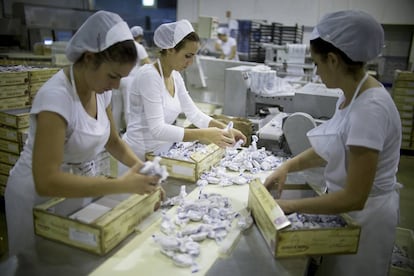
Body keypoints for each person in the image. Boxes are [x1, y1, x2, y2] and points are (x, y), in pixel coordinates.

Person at [4, 10, 162, 256]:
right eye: (113, 75)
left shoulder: (101, 90)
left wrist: (143, 170)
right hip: (34, 198)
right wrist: (121, 185)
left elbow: (113, 141)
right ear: (89, 58)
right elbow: (47, 180)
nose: (116, 85)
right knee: (38, 264)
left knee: (72, 258)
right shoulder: (56, 99)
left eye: (121, 78)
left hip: (76, 187)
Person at [264, 10, 401, 276]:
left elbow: (355, 197)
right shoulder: (352, 95)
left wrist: (289, 207)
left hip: (365, 221)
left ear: (333, 59)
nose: (316, 72)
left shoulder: (369, 110)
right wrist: (287, 167)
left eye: (316, 63)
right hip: (345, 214)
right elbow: (331, 149)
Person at [121, 19, 246, 165]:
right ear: (170, 50)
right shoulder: (149, 76)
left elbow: (194, 114)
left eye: (193, 56)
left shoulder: (175, 76)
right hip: (137, 155)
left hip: (161, 152)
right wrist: (206, 134)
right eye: (188, 56)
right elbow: (157, 129)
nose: (191, 62)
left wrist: (225, 129)